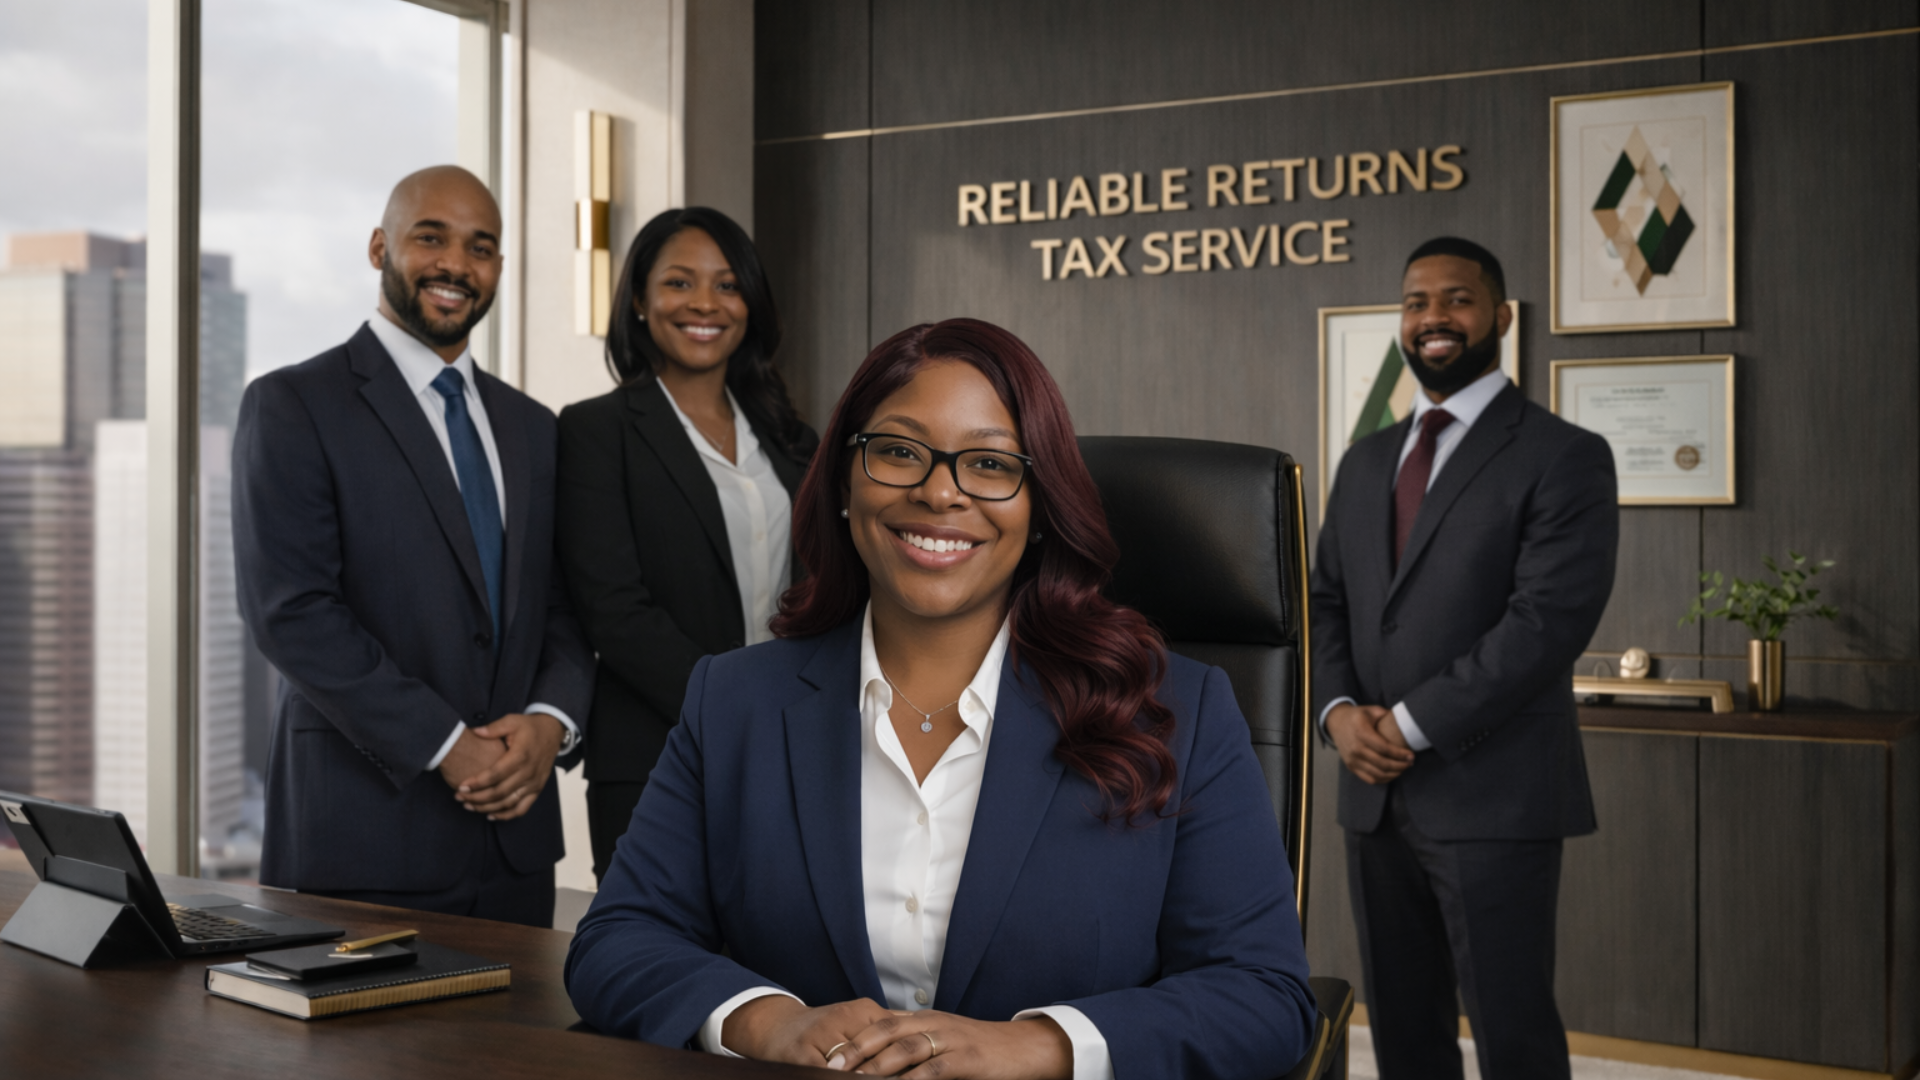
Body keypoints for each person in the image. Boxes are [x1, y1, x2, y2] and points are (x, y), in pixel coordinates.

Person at [566, 319, 1316, 1079]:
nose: (939, 491)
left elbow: (1262, 996)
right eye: (898, 451)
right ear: (844, 482)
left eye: (989, 463)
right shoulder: (734, 702)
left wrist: (1037, 1046)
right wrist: (771, 1025)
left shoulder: (1177, 712)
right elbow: (619, 938)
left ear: (1039, 510)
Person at [232, 165, 594, 928]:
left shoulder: (534, 428)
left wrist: (549, 722)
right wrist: (444, 742)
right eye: (431, 237)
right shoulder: (295, 404)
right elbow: (289, 613)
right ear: (379, 248)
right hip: (359, 840)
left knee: (520, 1050)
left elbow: (564, 606)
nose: (457, 265)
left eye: (481, 247)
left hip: (514, 847)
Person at [1310, 237, 1619, 1079]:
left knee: (1511, 1029)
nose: (1434, 318)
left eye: (1457, 299)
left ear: (1502, 318)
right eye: (1416, 302)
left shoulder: (1563, 455)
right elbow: (1325, 602)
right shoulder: (1366, 459)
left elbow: (1545, 623)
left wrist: (1407, 724)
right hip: (1371, 796)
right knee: (1403, 1033)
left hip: (1495, 792)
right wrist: (1338, 716)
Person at [556, 207, 817, 882]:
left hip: (794, 751)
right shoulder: (596, 433)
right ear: (640, 301)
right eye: (679, 283)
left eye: (728, 285)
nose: (705, 303)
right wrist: (734, 710)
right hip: (655, 753)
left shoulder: (794, 441)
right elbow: (614, 611)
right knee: (664, 963)